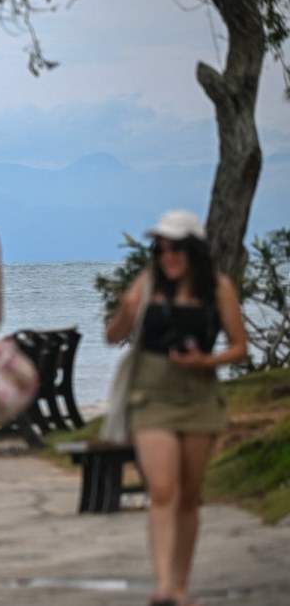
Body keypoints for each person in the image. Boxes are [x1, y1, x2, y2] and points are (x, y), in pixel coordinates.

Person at [105, 210, 247, 606]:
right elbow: (112, 335)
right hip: (152, 396)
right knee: (163, 490)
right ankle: (164, 586)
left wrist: (206, 362)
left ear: (194, 251)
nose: (167, 257)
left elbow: (239, 347)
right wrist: (126, 313)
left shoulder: (218, 288)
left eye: (176, 249)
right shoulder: (148, 282)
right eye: (161, 250)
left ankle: (180, 586)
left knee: (188, 495)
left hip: (198, 395)